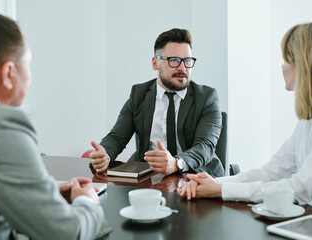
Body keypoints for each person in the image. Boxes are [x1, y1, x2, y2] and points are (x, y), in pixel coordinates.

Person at [0, 12, 106, 239]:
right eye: (28, 65)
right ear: (8, 73)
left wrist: (40, 196)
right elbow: (65, 234)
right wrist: (87, 201)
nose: (31, 75)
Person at [177, 23, 312, 207]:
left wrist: (220, 190)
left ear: (302, 63)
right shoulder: (307, 121)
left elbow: (301, 189)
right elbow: (270, 172)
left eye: (286, 59)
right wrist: (216, 183)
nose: (282, 67)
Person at [90, 28, 224, 177]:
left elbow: (205, 146)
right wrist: (105, 154)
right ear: (155, 63)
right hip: (148, 174)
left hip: (195, 173)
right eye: (174, 60)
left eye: (187, 61)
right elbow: (117, 137)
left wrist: (176, 163)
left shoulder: (207, 97)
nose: (182, 68)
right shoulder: (139, 94)